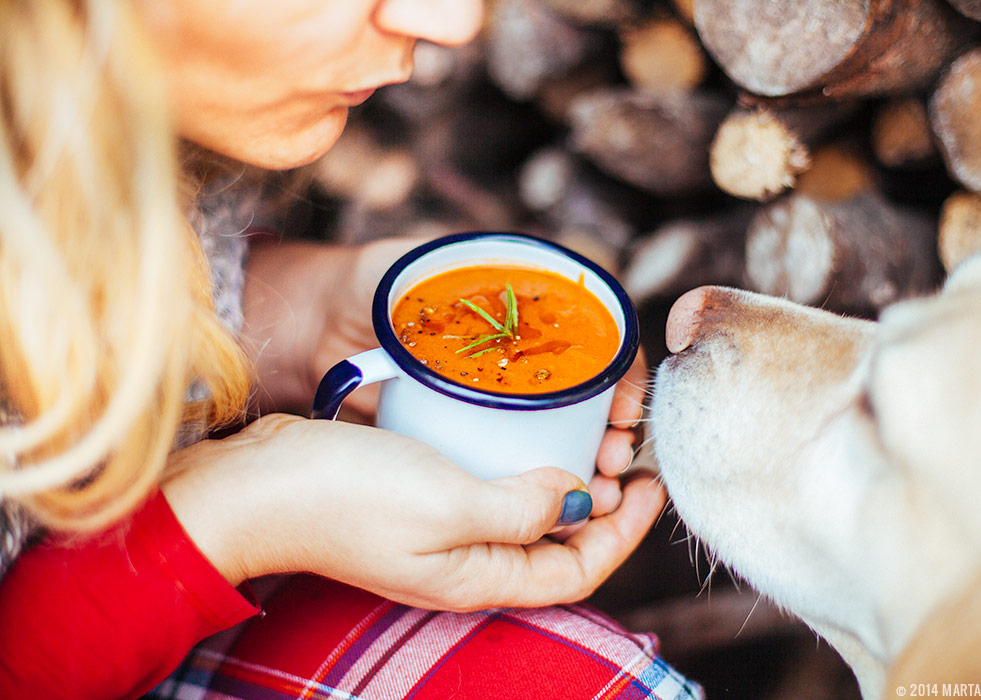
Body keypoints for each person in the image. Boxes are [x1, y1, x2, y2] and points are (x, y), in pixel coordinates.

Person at [0, 1, 703, 698]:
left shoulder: (117, 134)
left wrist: (306, 315)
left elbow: (81, 314)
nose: (452, 25)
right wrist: (240, 511)